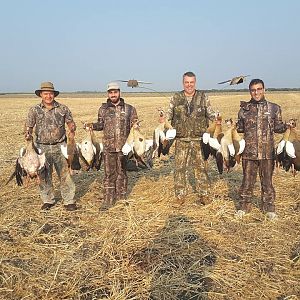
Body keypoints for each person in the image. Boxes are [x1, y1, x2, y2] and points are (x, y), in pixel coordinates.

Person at [236, 78, 287, 220]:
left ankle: (269, 209)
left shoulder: (274, 108)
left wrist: (288, 126)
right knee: (247, 181)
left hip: (267, 153)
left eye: (259, 89)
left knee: (267, 182)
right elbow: (240, 128)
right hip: (249, 153)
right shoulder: (244, 109)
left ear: (264, 89)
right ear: (250, 91)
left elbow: (278, 128)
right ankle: (244, 207)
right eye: (253, 90)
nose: (256, 92)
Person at [25, 82, 77, 211]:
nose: (48, 96)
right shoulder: (34, 110)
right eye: (46, 93)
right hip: (41, 148)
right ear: (41, 95)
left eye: (51, 93)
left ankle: (69, 200)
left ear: (54, 94)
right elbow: (29, 127)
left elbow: (70, 122)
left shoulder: (63, 108)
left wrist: (72, 127)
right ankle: (48, 200)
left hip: (61, 146)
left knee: (65, 174)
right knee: (44, 175)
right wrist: (27, 134)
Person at [87, 82, 138, 210]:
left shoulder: (129, 109)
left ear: (119, 92)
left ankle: (121, 198)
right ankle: (108, 200)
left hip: (124, 148)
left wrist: (136, 126)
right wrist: (92, 126)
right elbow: (100, 124)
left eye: (115, 92)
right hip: (109, 148)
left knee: (122, 173)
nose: (113, 94)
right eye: (111, 92)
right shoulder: (103, 109)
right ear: (108, 93)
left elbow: (135, 125)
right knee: (109, 175)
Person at [167, 71, 216, 205]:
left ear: (195, 82)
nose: (189, 85)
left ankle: (204, 194)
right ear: (183, 83)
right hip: (181, 139)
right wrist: (162, 119)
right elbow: (167, 117)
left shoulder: (203, 97)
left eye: (191, 82)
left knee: (201, 168)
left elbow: (211, 115)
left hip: (199, 140)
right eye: (186, 82)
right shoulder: (176, 98)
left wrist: (217, 118)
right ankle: (180, 195)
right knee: (179, 168)